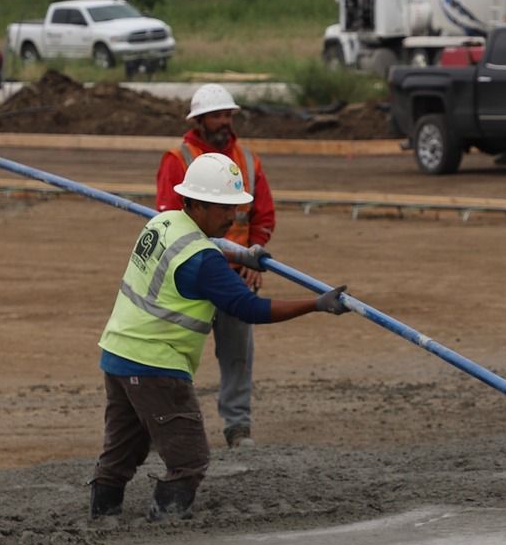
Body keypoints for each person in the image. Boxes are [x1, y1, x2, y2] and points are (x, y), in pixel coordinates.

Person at [91, 151, 348, 522]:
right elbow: (250, 309)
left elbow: (206, 243)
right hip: (156, 366)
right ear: (194, 203)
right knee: (190, 459)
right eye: (222, 208)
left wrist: (245, 255)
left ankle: (102, 516)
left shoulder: (162, 222)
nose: (232, 217)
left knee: (123, 448)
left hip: (117, 354)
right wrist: (317, 304)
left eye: (235, 208)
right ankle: (165, 523)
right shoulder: (202, 261)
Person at [156, 84, 276, 450]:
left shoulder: (247, 159)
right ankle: (159, 426)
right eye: (217, 115)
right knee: (171, 353)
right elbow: (169, 219)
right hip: (191, 275)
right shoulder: (178, 159)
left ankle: (237, 427)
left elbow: (263, 214)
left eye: (228, 115)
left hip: (234, 275)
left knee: (238, 355)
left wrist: (255, 253)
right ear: (199, 120)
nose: (225, 122)